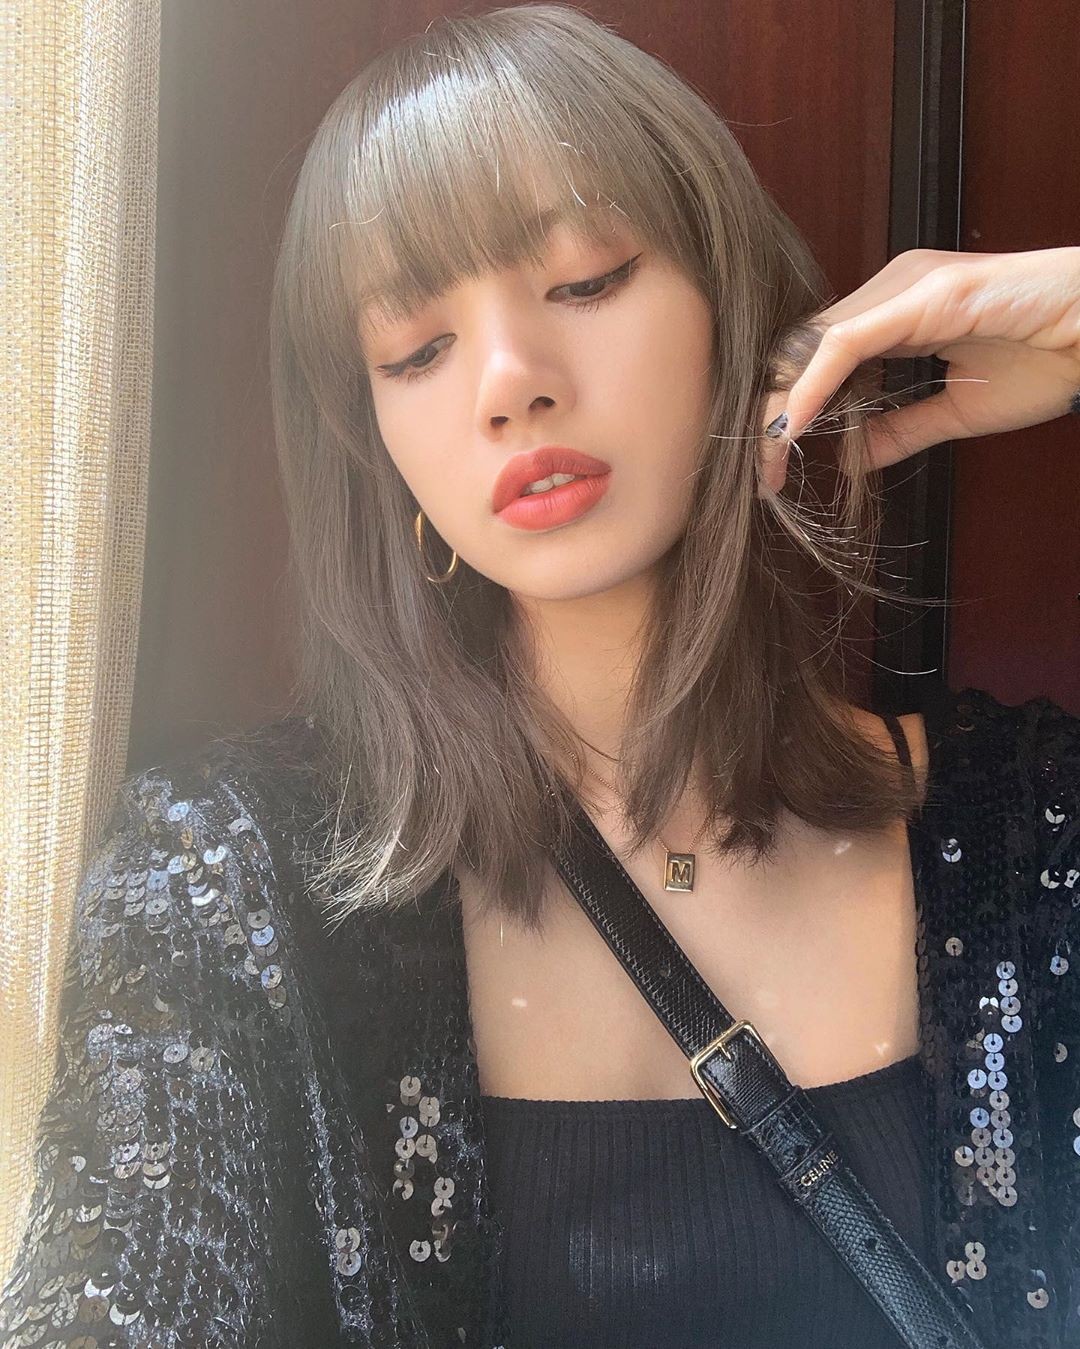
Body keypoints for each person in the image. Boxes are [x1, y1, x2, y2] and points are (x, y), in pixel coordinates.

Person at [2, 5, 1079, 1347]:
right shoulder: (228, 883)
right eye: (415, 350)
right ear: (381, 445)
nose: (510, 382)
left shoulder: (1036, 833)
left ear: (737, 311)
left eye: (587, 279)